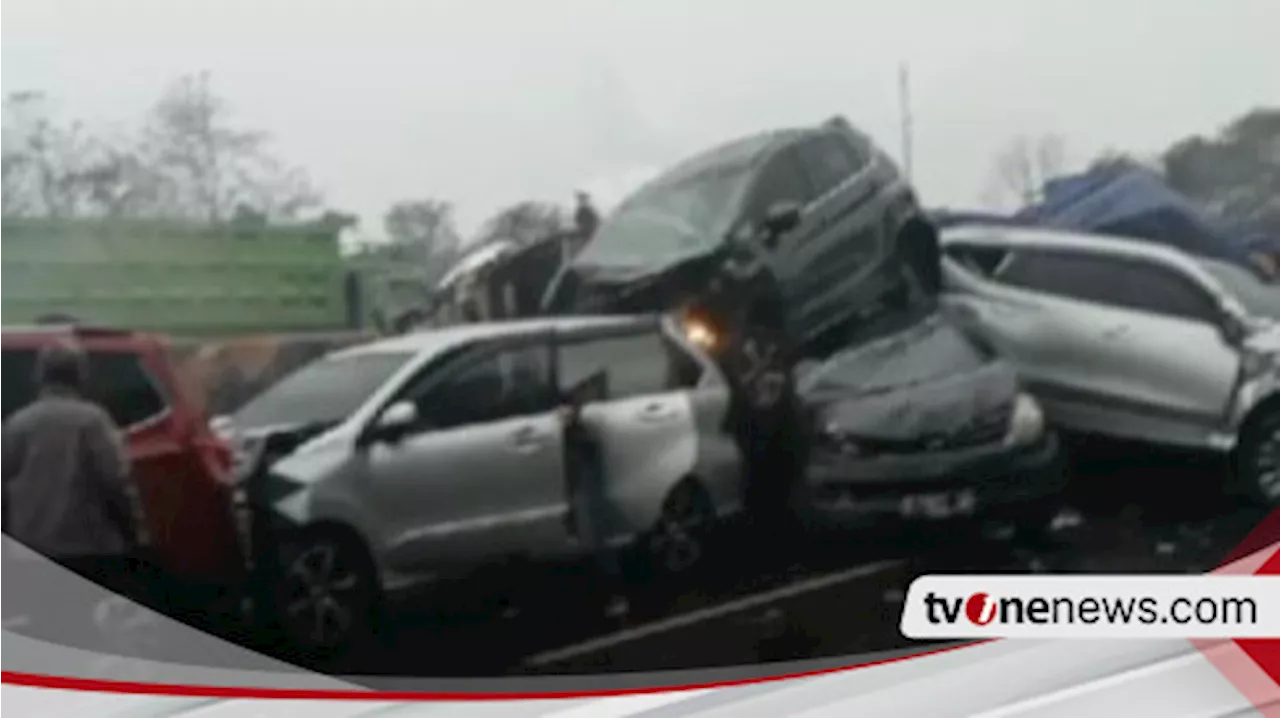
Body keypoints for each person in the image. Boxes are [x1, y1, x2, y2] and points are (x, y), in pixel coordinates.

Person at [0, 341, 148, 606]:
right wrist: (133, 533)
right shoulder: (93, 421)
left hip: (33, 552)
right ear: (81, 376)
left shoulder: (18, 423)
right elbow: (115, 481)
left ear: (39, 375)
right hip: (88, 549)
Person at [558, 371, 629, 619]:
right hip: (577, 463)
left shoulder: (583, 425)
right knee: (592, 524)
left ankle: (611, 591)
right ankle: (609, 590)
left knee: (595, 525)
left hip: (581, 462)